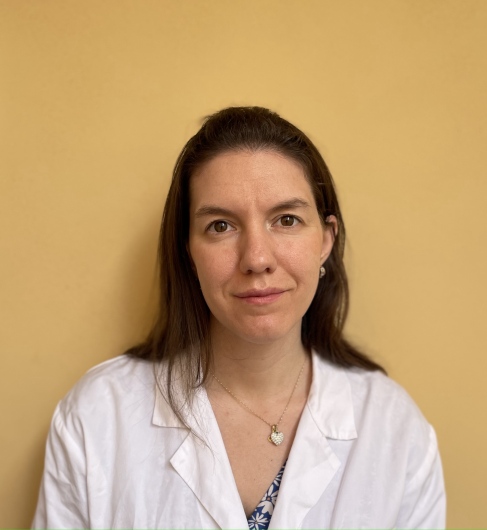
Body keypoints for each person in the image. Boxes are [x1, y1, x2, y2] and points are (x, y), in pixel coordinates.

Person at [32, 107, 446, 529]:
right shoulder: (98, 418)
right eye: (220, 226)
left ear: (325, 241)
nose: (257, 258)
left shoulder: (397, 433)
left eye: (286, 220)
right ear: (188, 251)